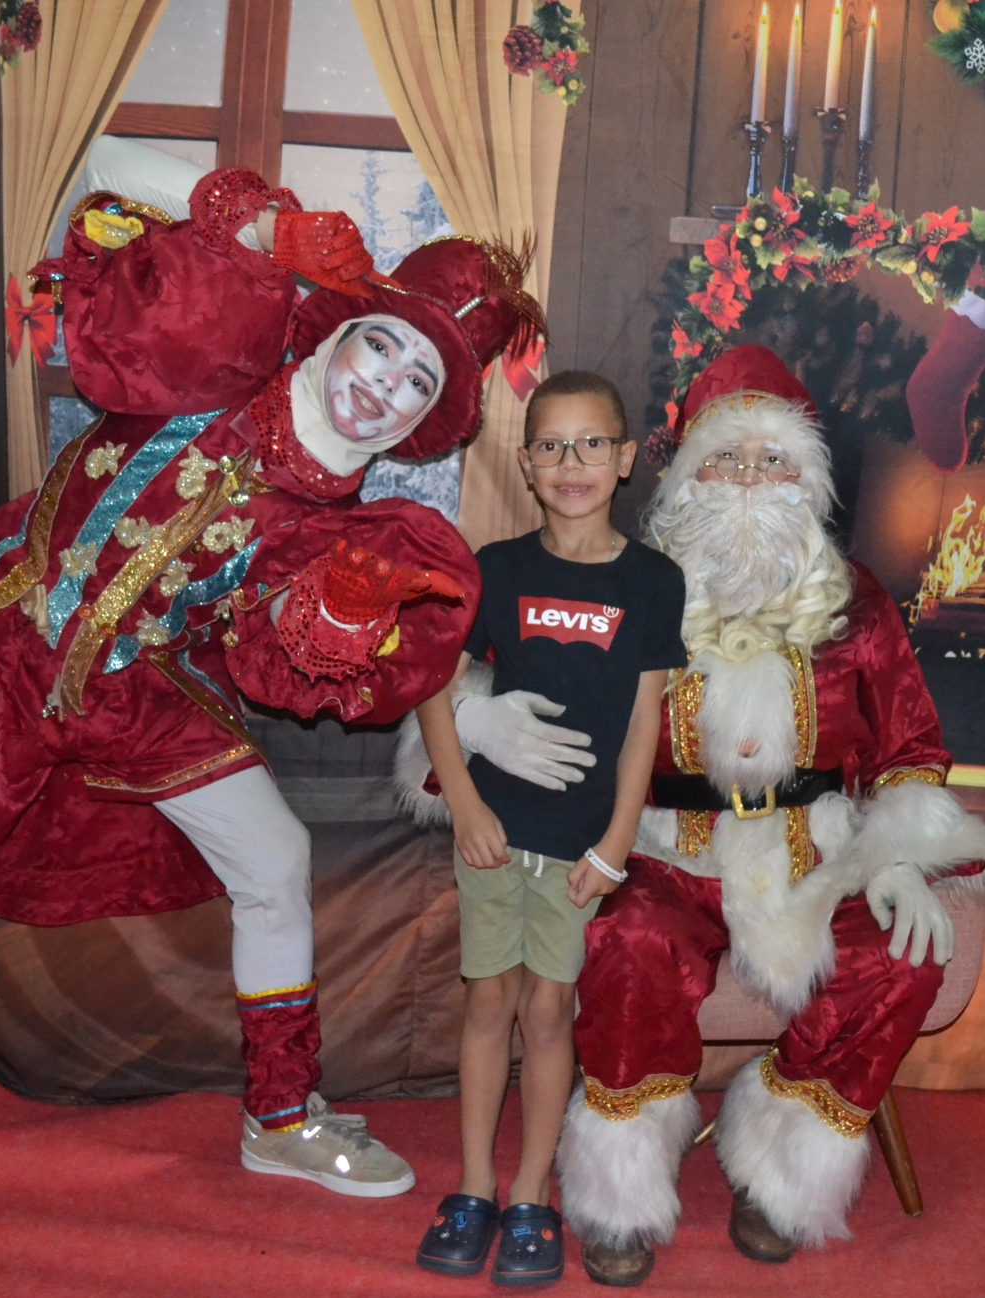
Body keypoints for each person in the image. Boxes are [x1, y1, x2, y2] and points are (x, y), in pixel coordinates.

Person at [0, 140, 545, 1199]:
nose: (387, 386)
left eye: (418, 384)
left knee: (273, 856)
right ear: (338, 331)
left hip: (137, 692)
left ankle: (279, 1116)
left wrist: (346, 610)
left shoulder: (335, 530)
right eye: (382, 345)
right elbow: (100, 164)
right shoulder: (223, 350)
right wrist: (271, 230)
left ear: (419, 426)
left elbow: (283, 657)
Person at [398, 345, 985, 1285]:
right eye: (728, 458)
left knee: (899, 960)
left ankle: (780, 1166)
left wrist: (897, 858)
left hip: (816, 856)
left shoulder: (856, 604)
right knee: (630, 944)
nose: (752, 479)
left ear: (806, 478)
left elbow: (910, 744)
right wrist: (476, 722)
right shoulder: (636, 583)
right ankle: (621, 1191)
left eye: (773, 460)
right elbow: (492, 667)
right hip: (657, 849)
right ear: (687, 475)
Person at [410, 371, 688, 1285]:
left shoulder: (654, 582)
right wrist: (464, 801)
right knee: (489, 1003)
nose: (573, 463)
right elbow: (434, 689)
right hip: (493, 831)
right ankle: (475, 1186)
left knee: (546, 1011)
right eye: (552, 446)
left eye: (591, 444)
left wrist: (616, 845)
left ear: (625, 458)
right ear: (527, 464)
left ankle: (533, 1192)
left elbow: (644, 722)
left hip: (580, 847)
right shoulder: (495, 569)